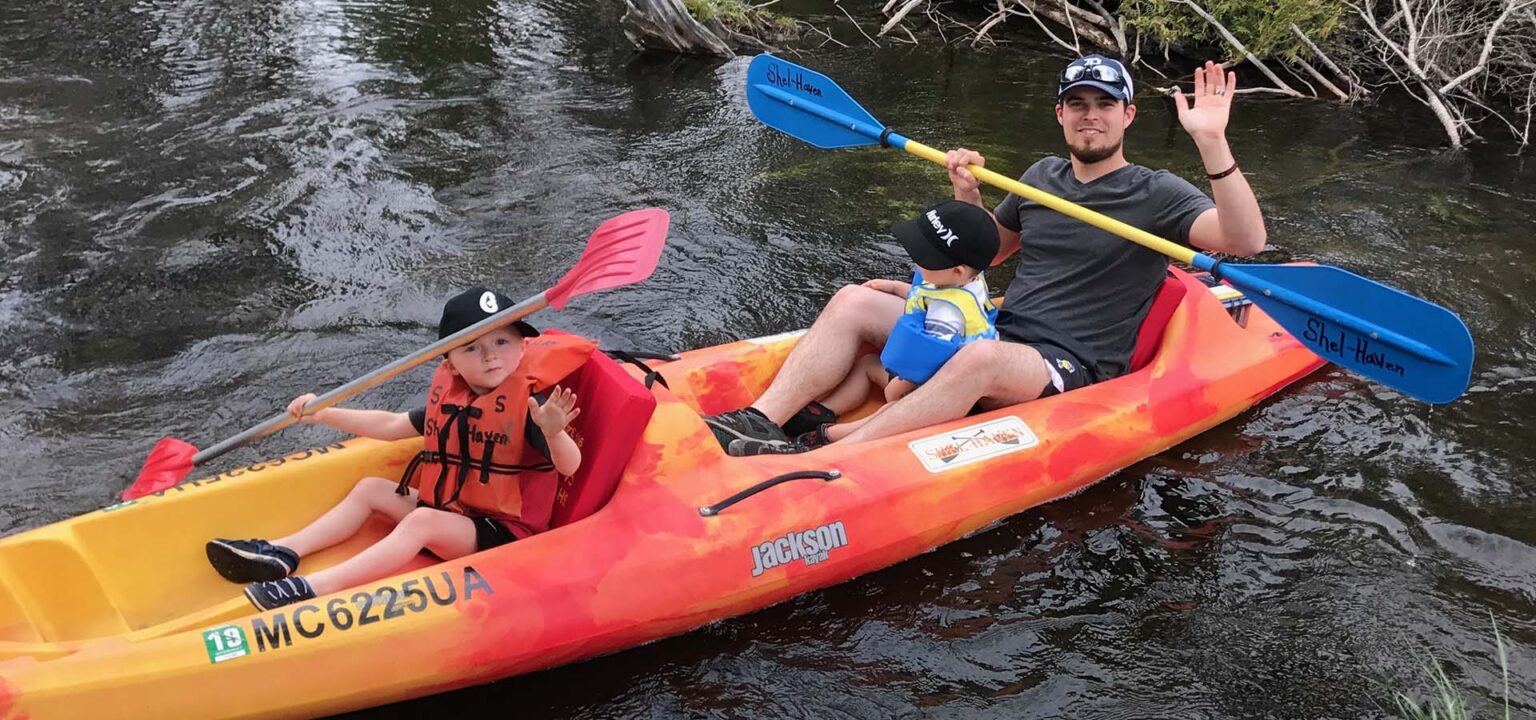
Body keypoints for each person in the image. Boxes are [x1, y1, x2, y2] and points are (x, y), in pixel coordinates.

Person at [711, 56, 1268, 455]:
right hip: (999, 330)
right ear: (1060, 114)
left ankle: (830, 449)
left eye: (1104, 103)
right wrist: (966, 196)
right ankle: (761, 420)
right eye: (1078, 104)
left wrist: (1212, 141)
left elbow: (1245, 242)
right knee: (856, 299)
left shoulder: (1158, 192)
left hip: (1069, 365)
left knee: (977, 361)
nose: (1090, 115)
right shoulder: (1040, 177)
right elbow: (984, 258)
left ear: (1128, 115)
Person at [205, 287, 595, 610]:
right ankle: (283, 553)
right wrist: (324, 414)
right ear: (452, 362)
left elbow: (571, 466)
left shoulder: (530, 408)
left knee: (421, 522)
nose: (491, 354)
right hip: (458, 512)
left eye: (502, 341)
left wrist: (555, 431)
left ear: (523, 347)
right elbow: (392, 426)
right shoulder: (457, 398)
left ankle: (315, 589)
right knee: (372, 489)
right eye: (472, 347)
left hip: (506, 533)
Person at [774, 200, 1001, 452]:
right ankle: (824, 411)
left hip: (945, 390)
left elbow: (933, 360)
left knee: (895, 409)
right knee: (868, 365)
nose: (916, 259)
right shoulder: (964, 279)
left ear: (957, 271)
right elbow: (926, 295)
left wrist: (901, 385)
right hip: (932, 373)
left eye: (925, 257)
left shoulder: (947, 315)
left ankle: (828, 436)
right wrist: (896, 287)